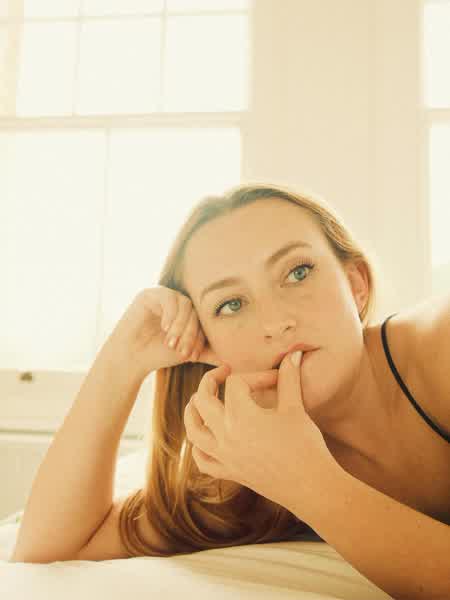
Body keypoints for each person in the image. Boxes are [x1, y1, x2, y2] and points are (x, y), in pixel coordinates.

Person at [11, 183, 450, 569]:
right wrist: (119, 363)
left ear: (356, 285)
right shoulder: (247, 471)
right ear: (208, 341)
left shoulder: (440, 347)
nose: (275, 322)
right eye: (231, 305)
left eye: (298, 273)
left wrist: (307, 484)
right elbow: (49, 551)